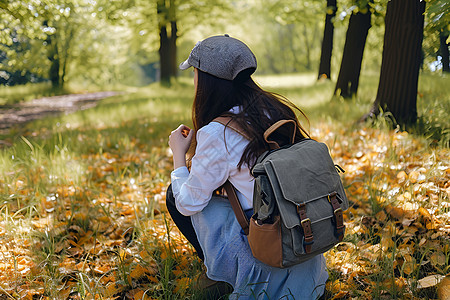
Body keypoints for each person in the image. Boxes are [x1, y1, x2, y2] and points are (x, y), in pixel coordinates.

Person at [166, 34, 328, 299]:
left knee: (176, 194)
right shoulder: (275, 109)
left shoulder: (218, 132)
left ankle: (221, 275)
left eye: (194, 73)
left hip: (268, 240)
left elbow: (189, 203)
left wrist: (178, 155)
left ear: (205, 80)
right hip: (301, 231)